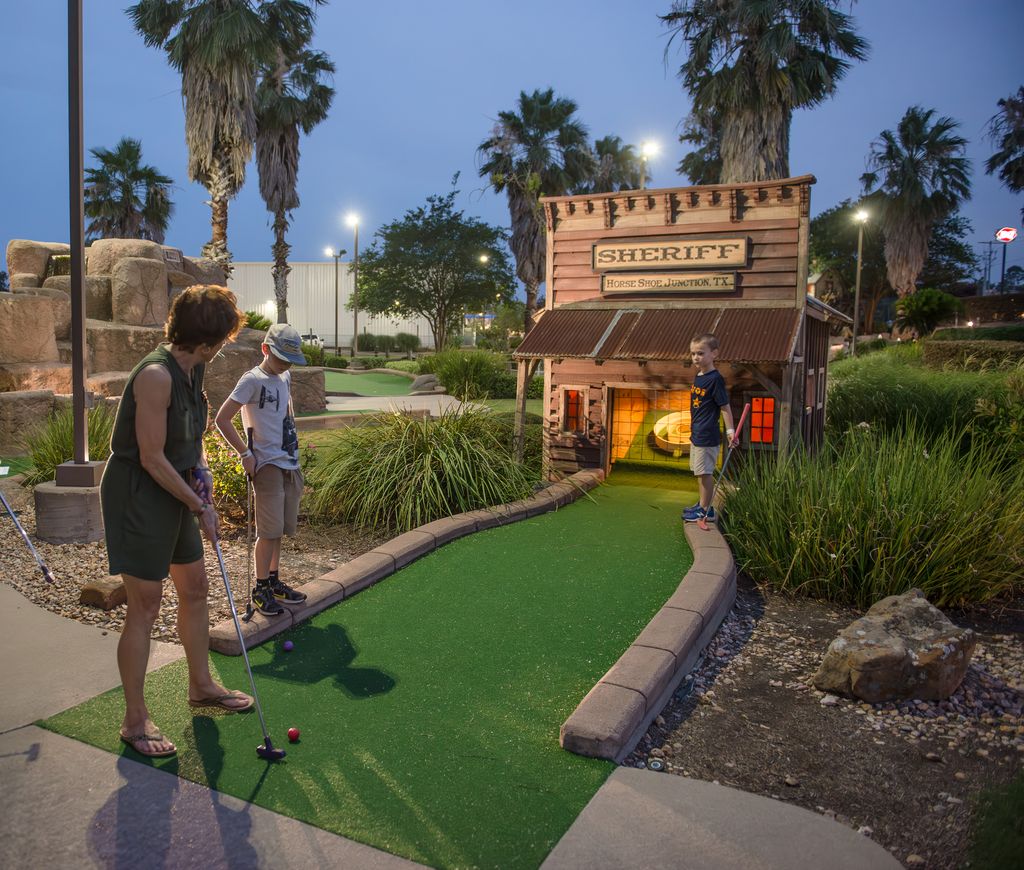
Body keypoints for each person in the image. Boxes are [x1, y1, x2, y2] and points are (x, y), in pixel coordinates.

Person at [100, 284, 252, 759]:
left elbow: (192, 437)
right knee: (145, 604)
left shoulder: (194, 366)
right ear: (206, 340)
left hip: (178, 487)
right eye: (223, 337)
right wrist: (199, 503)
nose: (225, 344)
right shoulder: (156, 376)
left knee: (196, 586)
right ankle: (134, 719)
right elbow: (149, 457)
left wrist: (202, 472)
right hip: (141, 494)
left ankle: (202, 684)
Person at [214, 323, 308, 618]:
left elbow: (284, 413)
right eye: (280, 358)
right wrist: (244, 452)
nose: (284, 365)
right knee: (267, 531)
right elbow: (222, 419)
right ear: (265, 349)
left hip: (288, 461)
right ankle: (260, 589)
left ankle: (274, 580)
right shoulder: (251, 381)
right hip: (266, 463)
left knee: (279, 529)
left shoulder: (286, 376)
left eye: (289, 360)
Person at [682, 333, 736, 524]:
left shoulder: (715, 379)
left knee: (705, 473)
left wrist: (730, 431)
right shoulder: (699, 376)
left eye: (700, 353)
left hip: (707, 434)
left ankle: (706, 511)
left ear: (714, 353)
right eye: (693, 353)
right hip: (697, 434)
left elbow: (725, 407)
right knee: (699, 472)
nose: (696, 357)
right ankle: (702, 504)